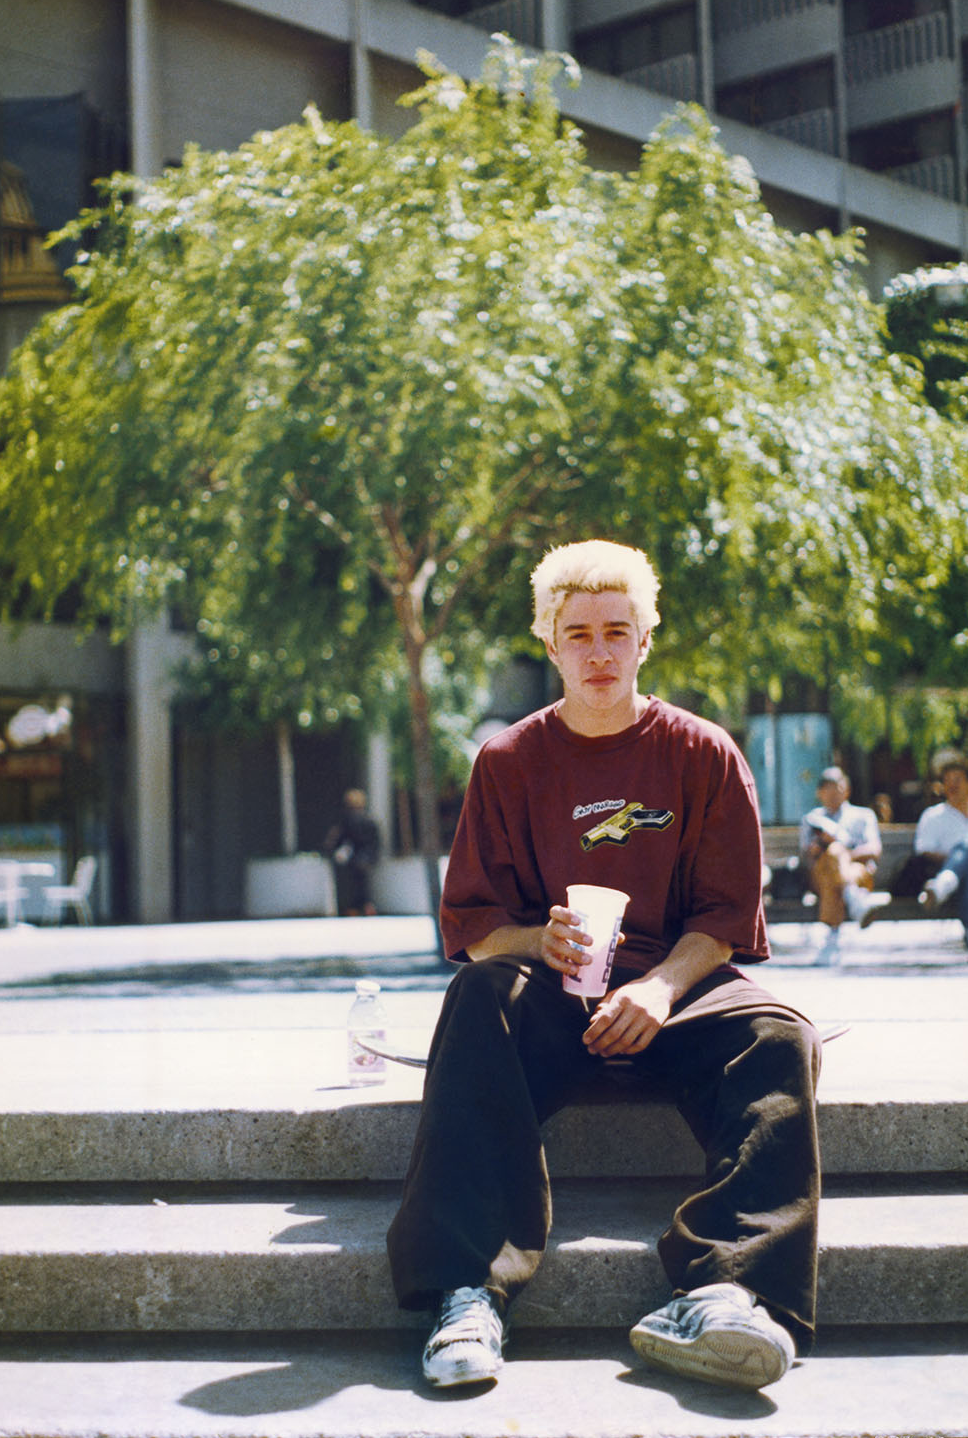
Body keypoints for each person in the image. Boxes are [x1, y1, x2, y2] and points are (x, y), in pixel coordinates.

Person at [387, 539, 822, 1394]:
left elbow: (725, 922)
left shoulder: (703, 754)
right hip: (552, 997)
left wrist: (659, 988)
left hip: (676, 991)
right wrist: (532, 943)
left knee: (778, 1035)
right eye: (577, 633)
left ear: (645, 641)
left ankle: (726, 1293)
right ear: (548, 643)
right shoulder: (507, 763)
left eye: (616, 632)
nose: (597, 652)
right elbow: (477, 930)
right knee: (478, 996)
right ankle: (467, 1292)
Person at [798, 767, 885, 960]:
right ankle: (854, 899)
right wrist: (820, 846)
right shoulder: (812, 819)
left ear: (847, 789)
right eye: (827, 788)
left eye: (837, 787)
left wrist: (843, 854)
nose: (833, 793)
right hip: (821, 876)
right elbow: (807, 857)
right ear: (819, 793)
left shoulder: (863, 815)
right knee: (832, 860)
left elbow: (874, 850)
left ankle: (831, 939)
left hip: (858, 874)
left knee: (835, 860)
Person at [916, 752, 968, 959]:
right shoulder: (933, 815)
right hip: (946, 871)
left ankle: (944, 883)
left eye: (957, 780)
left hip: (946, 879)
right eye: (947, 781)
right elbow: (924, 851)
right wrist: (958, 862)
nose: (952, 786)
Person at [323, 788, 379, 916]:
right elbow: (375, 842)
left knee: (355, 883)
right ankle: (364, 906)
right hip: (363, 857)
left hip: (356, 858)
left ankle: (356, 907)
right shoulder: (369, 820)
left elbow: (339, 839)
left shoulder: (348, 821)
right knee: (362, 883)